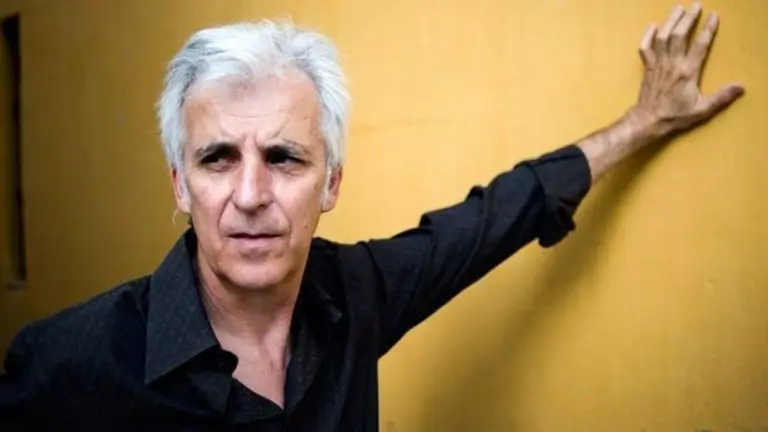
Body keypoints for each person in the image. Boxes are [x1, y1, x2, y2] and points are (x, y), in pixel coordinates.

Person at [0, 3, 744, 430]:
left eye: (285, 158)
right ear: (179, 186)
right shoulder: (68, 363)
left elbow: (498, 214)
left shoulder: (357, 293)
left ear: (332, 184)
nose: (251, 194)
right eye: (218, 159)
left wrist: (643, 123)